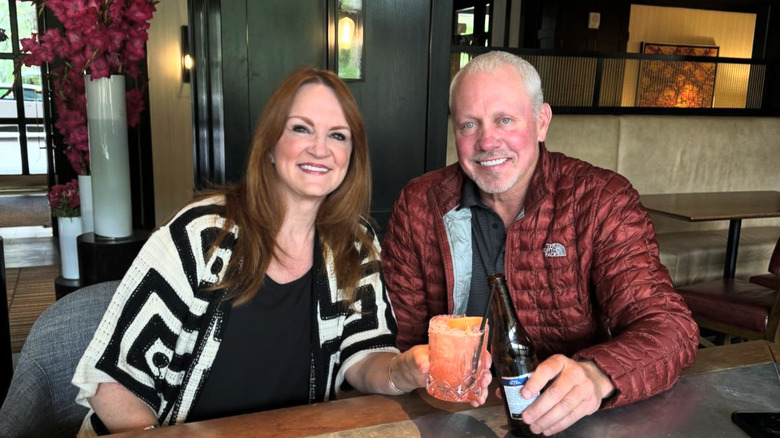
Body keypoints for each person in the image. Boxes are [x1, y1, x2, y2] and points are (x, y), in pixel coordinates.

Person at [71, 67, 491, 436]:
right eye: (301, 128)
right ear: (270, 146)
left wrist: (402, 371)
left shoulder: (353, 244)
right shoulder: (202, 235)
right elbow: (112, 384)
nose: (320, 149)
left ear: (351, 156)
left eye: (338, 136)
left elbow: (362, 356)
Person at [382, 51, 699, 436]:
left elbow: (671, 328)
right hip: (450, 418)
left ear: (541, 122)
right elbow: (401, 339)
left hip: (569, 420)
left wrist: (597, 376)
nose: (487, 141)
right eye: (469, 125)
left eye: (505, 120)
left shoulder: (600, 200)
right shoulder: (420, 204)